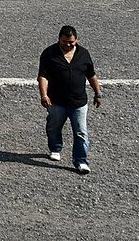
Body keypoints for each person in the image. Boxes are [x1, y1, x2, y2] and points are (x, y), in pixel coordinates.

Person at [37, 25, 102, 173]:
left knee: (81, 132)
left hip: (79, 102)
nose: (68, 45)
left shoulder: (83, 54)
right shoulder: (49, 54)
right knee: (54, 127)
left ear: (76, 40)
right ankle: (55, 148)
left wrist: (98, 93)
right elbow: (43, 76)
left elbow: (91, 75)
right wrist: (44, 95)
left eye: (71, 42)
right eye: (64, 41)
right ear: (59, 39)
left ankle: (81, 161)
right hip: (56, 101)